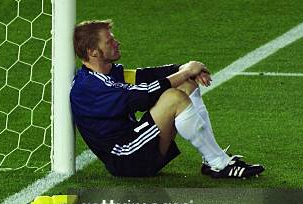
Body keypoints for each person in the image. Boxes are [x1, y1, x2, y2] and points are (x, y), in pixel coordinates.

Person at [70, 19, 264, 178]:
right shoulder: (89, 87)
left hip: (136, 143)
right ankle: (220, 164)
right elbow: (142, 97)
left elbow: (146, 75)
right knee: (173, 97)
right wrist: (187, 70)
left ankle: (212, 160)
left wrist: (183, 70)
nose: (116, 43)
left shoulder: (108, 73)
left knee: (186, 84)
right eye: (109, 41)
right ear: (92, 52)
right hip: (127, 159)